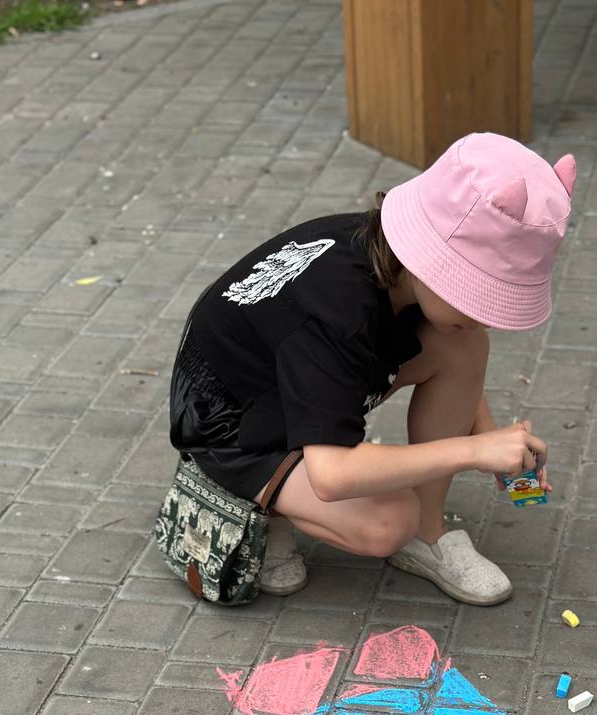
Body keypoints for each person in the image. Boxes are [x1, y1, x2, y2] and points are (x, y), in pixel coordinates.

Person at [168, 132, 575, 606]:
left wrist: (493, 440)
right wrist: (472, 451)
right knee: (388, 522)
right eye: (480, 294)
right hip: (235, 426)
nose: (486, 316)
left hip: (288, 382)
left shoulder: (389, 259)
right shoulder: (336, 315)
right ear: (435, 261)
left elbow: (455, 360)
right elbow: (334, 475)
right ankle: (255, 499)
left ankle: (428, 534)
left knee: (462, 343)